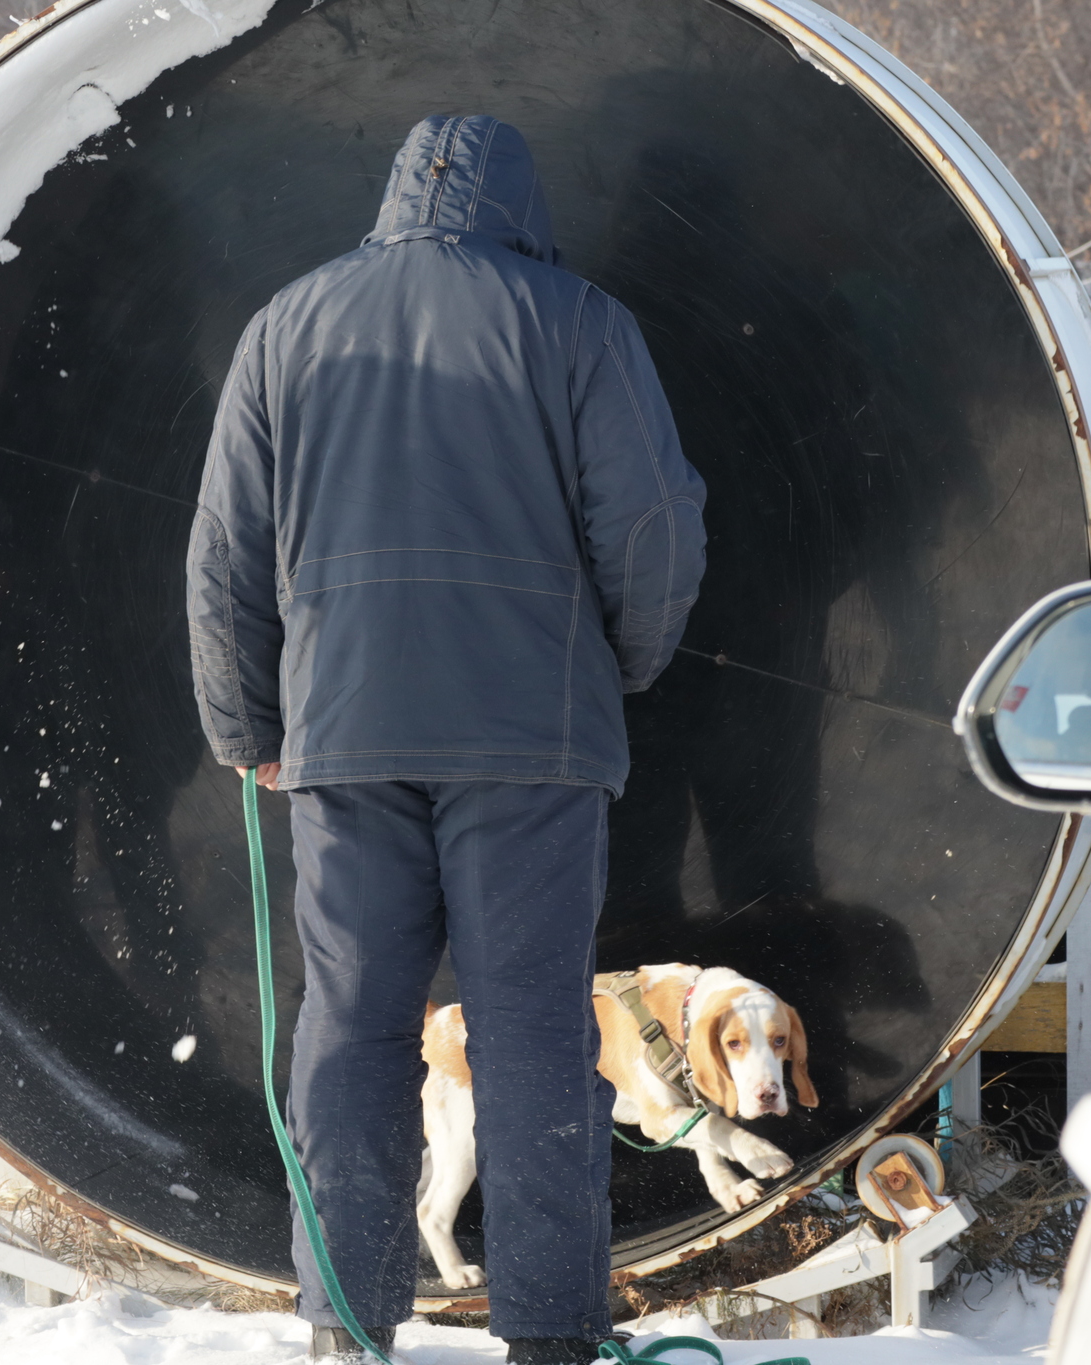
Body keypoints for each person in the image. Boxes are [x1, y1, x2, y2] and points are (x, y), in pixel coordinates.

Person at [186, 115, 706, 1364]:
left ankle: (346, 1328)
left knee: (353, 1029)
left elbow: (224, 555)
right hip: (531, 742)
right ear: (522, 207)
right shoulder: (578, 322)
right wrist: (615, 667)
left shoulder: (285, 323)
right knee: (529, 1035)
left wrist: (247, 723)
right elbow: (651, 530)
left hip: (345, 736)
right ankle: (548, 1339)